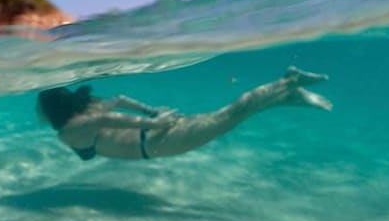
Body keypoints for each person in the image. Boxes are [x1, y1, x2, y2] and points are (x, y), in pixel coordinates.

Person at [36, 66, 332, 161]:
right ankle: (290, 96)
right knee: (229, 116)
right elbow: (120, 100)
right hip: (153, 134)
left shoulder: (68, 132)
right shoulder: (89, 107)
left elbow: (106, 120)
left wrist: (155, 120)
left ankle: (288, 81)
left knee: (229, 116)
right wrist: (151, 113)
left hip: (155, 141)